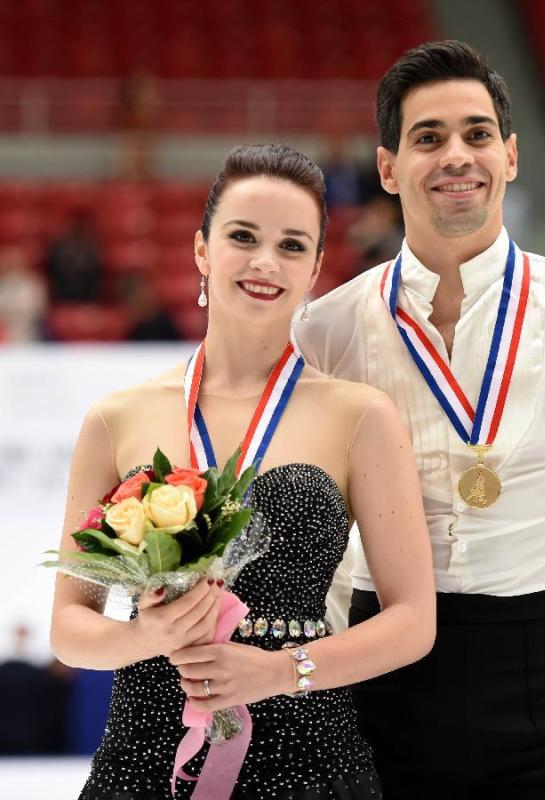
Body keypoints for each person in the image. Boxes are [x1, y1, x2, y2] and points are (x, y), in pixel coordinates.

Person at [295, 41, 545, 799]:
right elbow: (317, 527)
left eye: (475, 135)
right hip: (378, 686)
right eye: (427, 138)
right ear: (386, 167)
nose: (455, 156)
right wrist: (350, 644)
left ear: (509, 156)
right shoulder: (327, 329)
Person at [50, 144, 435, 799]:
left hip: (311, 763)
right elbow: (69, 627)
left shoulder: (361, 416)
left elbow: (412, 621)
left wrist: (282, 672)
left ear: (315, 267)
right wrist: (147, 633)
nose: (264, 262)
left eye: (291, 246)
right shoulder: (116, 418)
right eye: (242, 237)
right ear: (202, 250)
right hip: (145, 760)